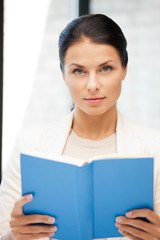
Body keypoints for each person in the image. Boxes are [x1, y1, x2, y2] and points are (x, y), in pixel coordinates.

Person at [0, 13, 160, 240]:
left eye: (106, 68)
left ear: (124, 69)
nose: (93, 85)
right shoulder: (29, 145)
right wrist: (14, 236)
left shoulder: (156, 148)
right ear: (63, 74)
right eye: (79, 71)